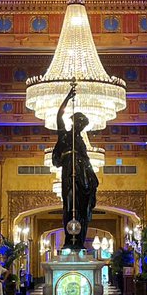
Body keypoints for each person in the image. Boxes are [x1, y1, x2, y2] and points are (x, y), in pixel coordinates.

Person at [52, 84, 98, 252]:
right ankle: (69, 238)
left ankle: (79, 239)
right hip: (69, 173)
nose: (81, 128)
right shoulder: (65, 135)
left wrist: (92, 176)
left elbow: (86, 161)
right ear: (74, 122)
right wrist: (67, 98)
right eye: (80, 124)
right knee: (69, 204)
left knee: (81, 207)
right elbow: (59, 116)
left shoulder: (81, 142)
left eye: (83, 126)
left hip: (82, 174)